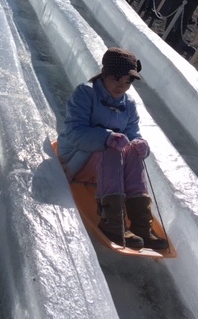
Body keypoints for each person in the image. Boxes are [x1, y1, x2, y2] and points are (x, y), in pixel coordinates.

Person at [57, 48, 168, 250]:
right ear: (105, 73)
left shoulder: (129, 104)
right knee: (112, 148)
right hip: (76, 159)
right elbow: (74, 132)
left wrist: (140, 144)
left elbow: (132, 133)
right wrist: (107, 137)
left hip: (109, 172)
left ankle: (142, 225)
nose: (121, 86)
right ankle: (112, 222)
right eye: (117, 79)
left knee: (132, 151)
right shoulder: (86, 93)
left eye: (127, 81)